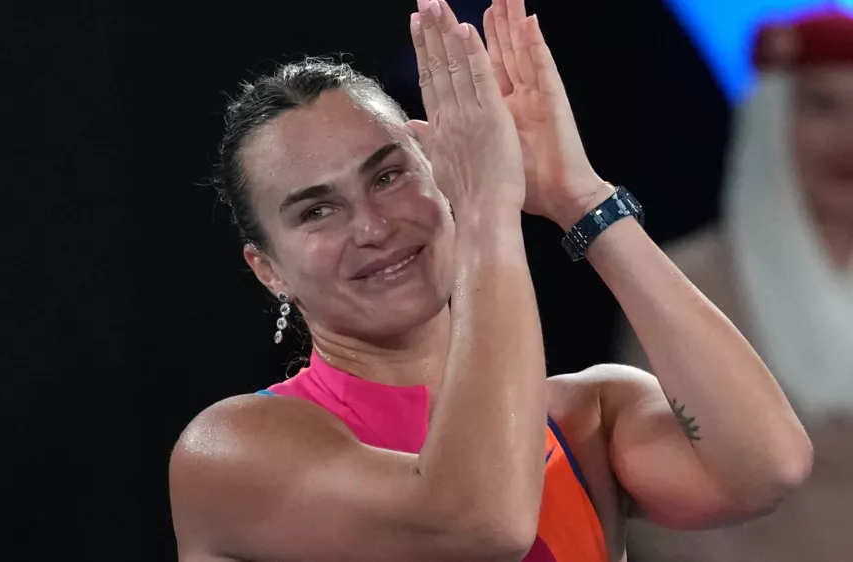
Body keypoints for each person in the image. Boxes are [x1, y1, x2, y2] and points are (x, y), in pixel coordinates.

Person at [171, 1, 812, 561]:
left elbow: (768, 467)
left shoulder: (585, 415)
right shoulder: (232, 450)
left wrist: (577, 195)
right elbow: (480, 522)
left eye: (388, 176)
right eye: (317, 210)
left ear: (438, 172)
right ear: (269, 270)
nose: (371, 226)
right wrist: (487, 209)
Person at [617, 10, 853, 562]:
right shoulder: (686, 283)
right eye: (822, 106)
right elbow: (658, 496)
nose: (849, 137)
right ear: (772, 118)